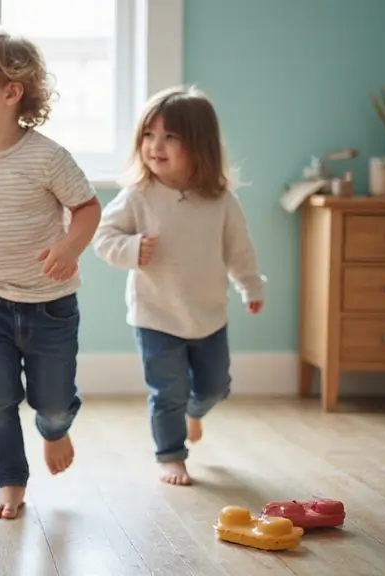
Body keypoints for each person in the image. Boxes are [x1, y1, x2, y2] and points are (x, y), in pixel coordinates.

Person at [0, 27, 101, 520]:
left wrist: (70, 246)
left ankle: (54, 427)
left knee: (50, 402)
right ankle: (10, 480)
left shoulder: (47, 156)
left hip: (51, 305)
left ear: (11, 92)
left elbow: (88, 207)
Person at [93, 85, 266, 486]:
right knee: (166, 389)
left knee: (214, 386)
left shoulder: (220, 201)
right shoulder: (138, 196)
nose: (156, 145)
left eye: (170, 136)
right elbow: (104, 238)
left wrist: (251, 287)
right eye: (149, 135)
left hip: (208, 314)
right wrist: (133, 248)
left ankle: (194, 412)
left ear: (199, 144)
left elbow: (239, 250)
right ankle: (170, 454)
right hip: (155, 315)